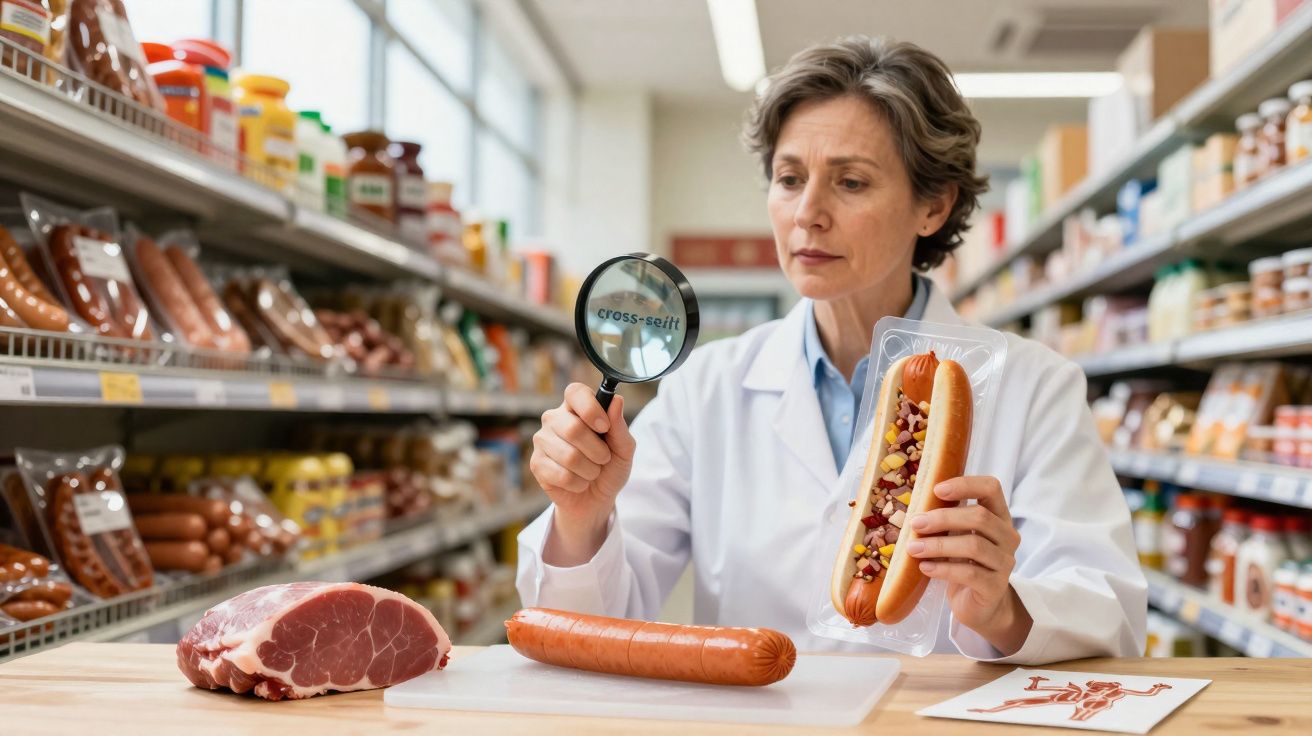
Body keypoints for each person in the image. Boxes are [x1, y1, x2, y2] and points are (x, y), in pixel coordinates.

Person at [516, 36, 1146, 663]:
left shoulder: (1034, 386)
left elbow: (1110, 614)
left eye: (850, 182)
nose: (807, 213)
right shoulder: (707, 386)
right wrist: (582, 517)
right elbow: (591, 625)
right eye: (789, 179)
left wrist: (1004, 608)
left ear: (933, 205)